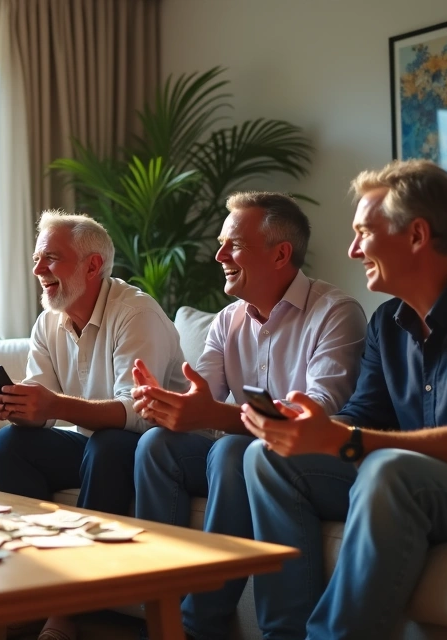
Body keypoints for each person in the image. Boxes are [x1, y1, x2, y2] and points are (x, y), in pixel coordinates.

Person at [241, 160, 447, 639]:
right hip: (414, 481)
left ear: (417, 235)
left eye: (363, 233)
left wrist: (346, 440)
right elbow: (363, 415)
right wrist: (309, 428)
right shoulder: (387, 323)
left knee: (389, 469)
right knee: (268, 456)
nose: (352, 250)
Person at [129, 192, 365, 639]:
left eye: (232, 245)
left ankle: (199, 626)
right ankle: (160, 614)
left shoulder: (335, 313)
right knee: (155, 444)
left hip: (306, 461)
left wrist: (212, 414)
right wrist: (166, 404)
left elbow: (315, 416)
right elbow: (202, 398)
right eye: (221, 244)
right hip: (242, 454)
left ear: (280, 254)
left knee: (233, 450)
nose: (218, 256)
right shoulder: (226, 321)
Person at [0, 209, 184, 640]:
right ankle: (32, 585)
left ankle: (67, 607)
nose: (38, 270)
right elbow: (44, 402)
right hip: (94, 448)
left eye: (51, 258)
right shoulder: (48, 322)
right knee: (9, 444)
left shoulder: (135, 313)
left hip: (153, 450)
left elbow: (139, 412)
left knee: (109, 443)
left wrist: (54, 404)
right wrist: (18, 406)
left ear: (93, 266)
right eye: (37, 259)